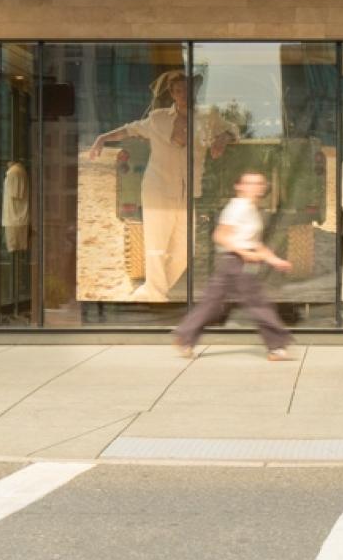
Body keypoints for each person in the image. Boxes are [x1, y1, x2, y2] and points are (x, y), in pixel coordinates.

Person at [89, 68, 233, 301]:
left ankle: (153, 291)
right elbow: (129, 129)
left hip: (187, 191)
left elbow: (231, 127)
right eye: (177, 90)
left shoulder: (208, 116)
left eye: (187, 89)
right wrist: (102, 137)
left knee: (186, 251)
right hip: (157, 188)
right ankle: (157, 295)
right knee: (156, 248)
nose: (183, 94)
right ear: (172, 94)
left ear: (193, 90)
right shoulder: (157, 118)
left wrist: (223, 139)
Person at [172, 171, 294, 361]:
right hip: (236, 263)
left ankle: (185, 337)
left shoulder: (251, 209)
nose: (257, 187)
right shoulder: (237, 208)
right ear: (239, 186)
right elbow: (220, 236)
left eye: (260, 183)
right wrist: (243, 253)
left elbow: (255, 243)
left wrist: (274, 260)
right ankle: (276, 346)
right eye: (251, 183)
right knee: (258, 303)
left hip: (233, 262)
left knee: (212, 303)